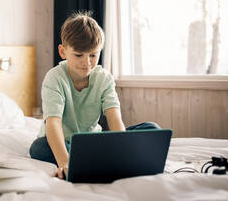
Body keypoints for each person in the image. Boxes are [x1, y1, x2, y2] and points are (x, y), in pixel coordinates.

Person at [29, 12, 160, 179]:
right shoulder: (54, 78)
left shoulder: (104, 78)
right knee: (39, 148)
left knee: (151, 129)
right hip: (63, 142)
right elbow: (53, 123)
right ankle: (90, 160)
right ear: (63, 51)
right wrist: (65, 163)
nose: (87, 62)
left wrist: (125, 151)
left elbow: (114, 117)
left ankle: (97, 159)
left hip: (93, 142)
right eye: (79, 55)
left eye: (93, 55)